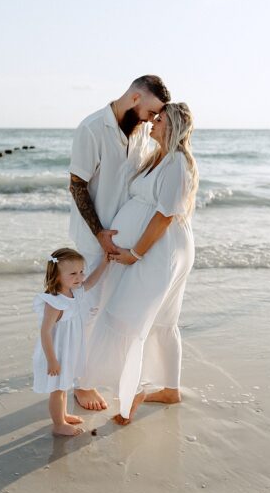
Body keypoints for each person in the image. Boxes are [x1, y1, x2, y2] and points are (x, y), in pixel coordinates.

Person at [83, 102, 198, 425]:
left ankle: (136, 390)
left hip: (162, 250)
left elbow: (163, 216)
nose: (152, 124)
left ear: (173, 126)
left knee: (129, 315)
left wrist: (135, 253)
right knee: (161, 319)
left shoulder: (175, 161)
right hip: (161, 248)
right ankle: (170, 390)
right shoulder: (158, 157)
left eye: (159, 120)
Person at [68, 75, 171, 411]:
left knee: (112, 309)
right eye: (151, 111)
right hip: (92, 239)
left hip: (124, 245)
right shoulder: (92, 129)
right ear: (136, 97)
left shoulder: (141, 131)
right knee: (88, 308)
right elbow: (77, 186)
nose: (151, 119)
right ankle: (80, 385)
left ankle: (100, 373)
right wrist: (99, 232)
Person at [33, 247, 109, 436]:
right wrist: (52, 360)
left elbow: (91, 282)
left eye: (81, 271)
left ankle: (63, 415)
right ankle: (58, 425)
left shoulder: (74, 293)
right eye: (73, 273)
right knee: (58, 390)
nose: (80, 277)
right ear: (57, 276)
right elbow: (45, 332)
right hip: (56, 352)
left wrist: (104, 263)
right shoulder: (54, 301)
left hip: (69, 350)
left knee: (64, 385)